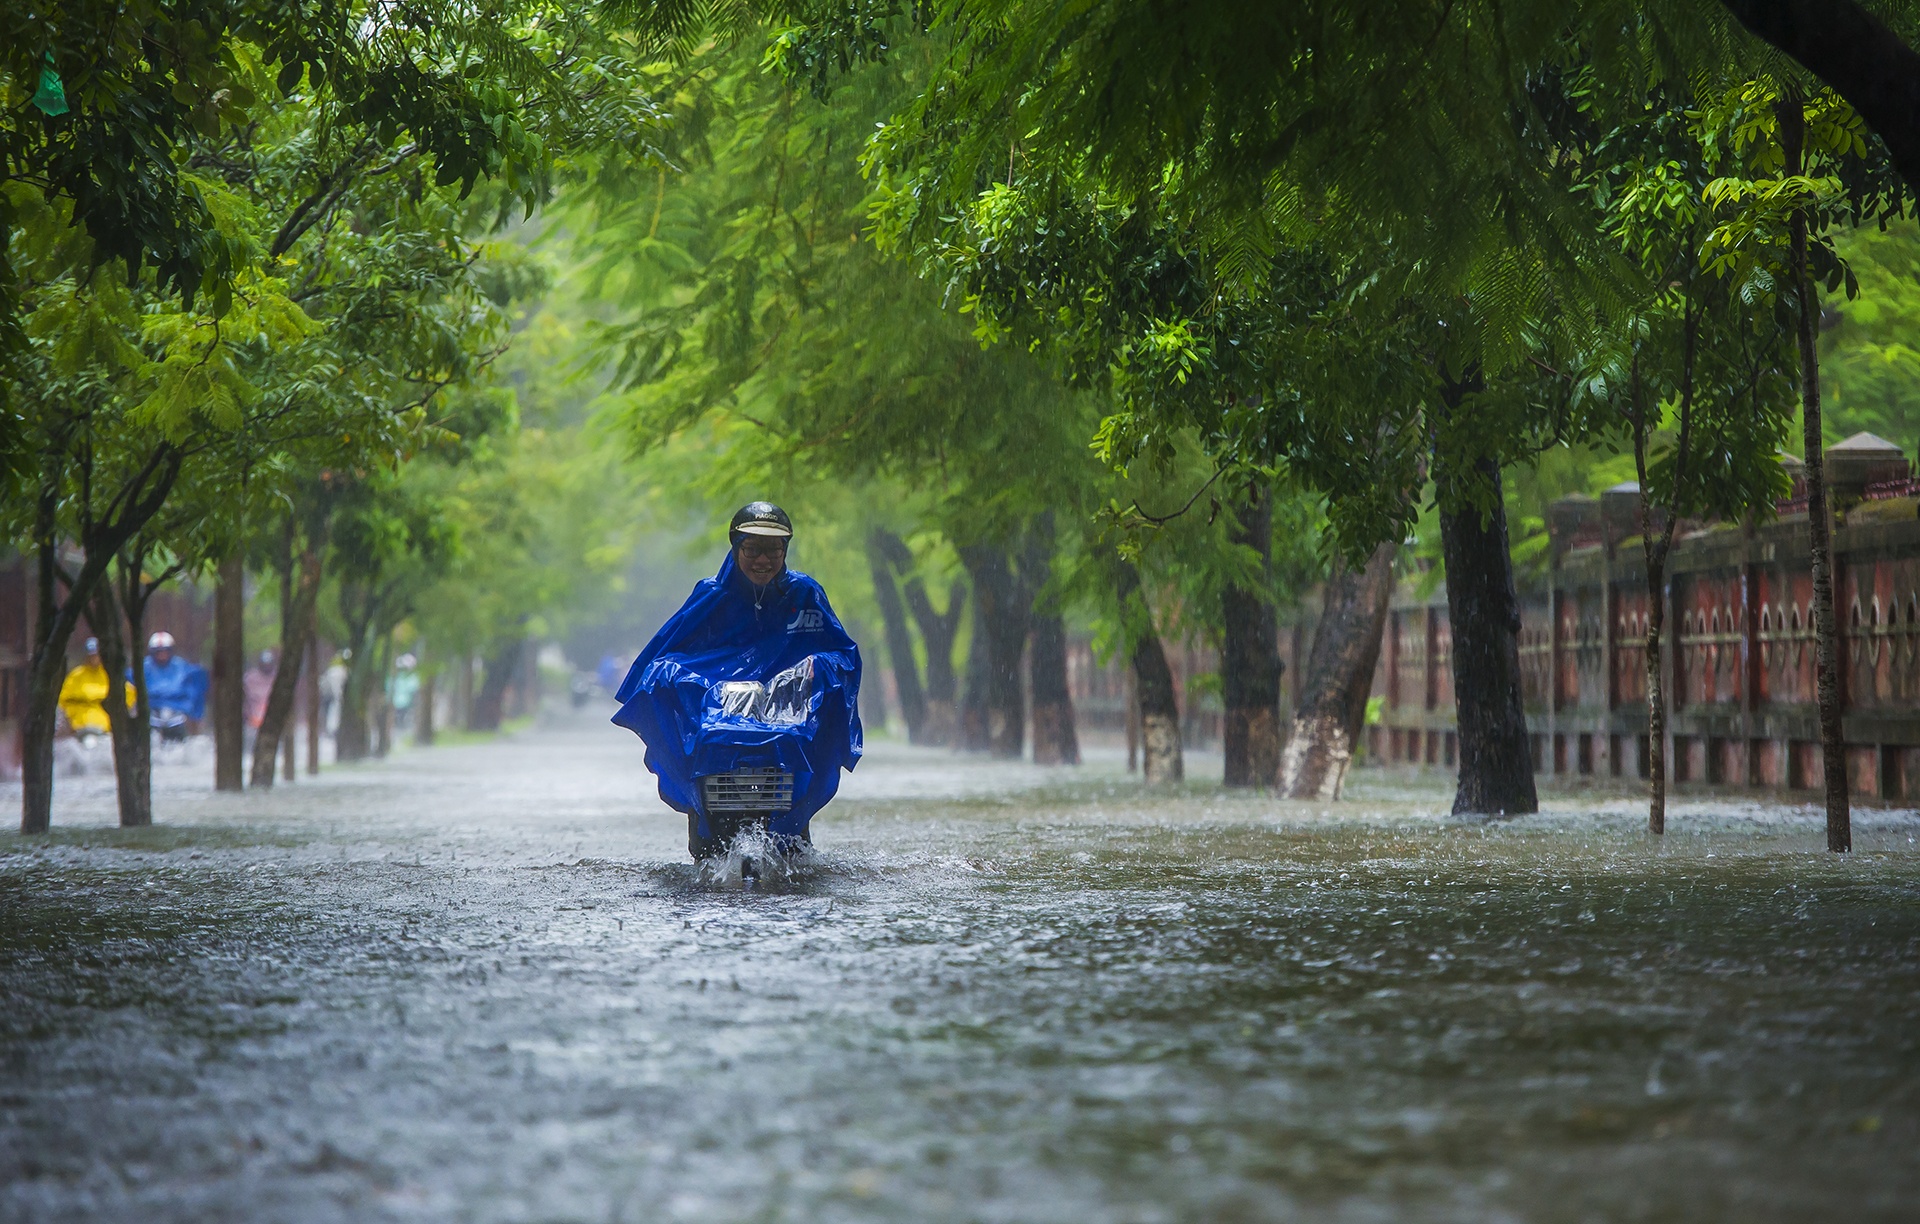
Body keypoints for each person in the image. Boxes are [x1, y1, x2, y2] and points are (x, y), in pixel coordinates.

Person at [612, 502, 862, 861]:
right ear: (736, 548)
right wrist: (698, 686)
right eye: (752, 549)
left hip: (787, 734)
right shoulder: (711, 597)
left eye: (773, 550)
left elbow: (843, 656)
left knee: (793, 850)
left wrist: (812, 669)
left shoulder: (806, 596)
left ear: (785, 551)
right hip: (715, 736)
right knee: (708, 856)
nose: (763, 560)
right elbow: (664, 659)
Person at [58, 637, 134, 738]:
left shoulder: (109, 674)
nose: (94, 659)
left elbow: (130, 694)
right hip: (81, 722)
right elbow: (63, 699)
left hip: (104, 721)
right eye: (91, 656)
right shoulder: (76, 675)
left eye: (96, 655)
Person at [142, 631, 209, 742]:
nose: (162, 655)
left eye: (165, 651)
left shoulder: (180, 666)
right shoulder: (145, 667)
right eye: (158, 652)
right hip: (152, 715)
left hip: (177, 716)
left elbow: (193, 686)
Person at [243, 649, 277, 738]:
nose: (266, 666)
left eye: (269, 664)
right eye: (264, 664)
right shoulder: (250, 678)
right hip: (252, 722)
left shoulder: (277, 678)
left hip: (273, 722)